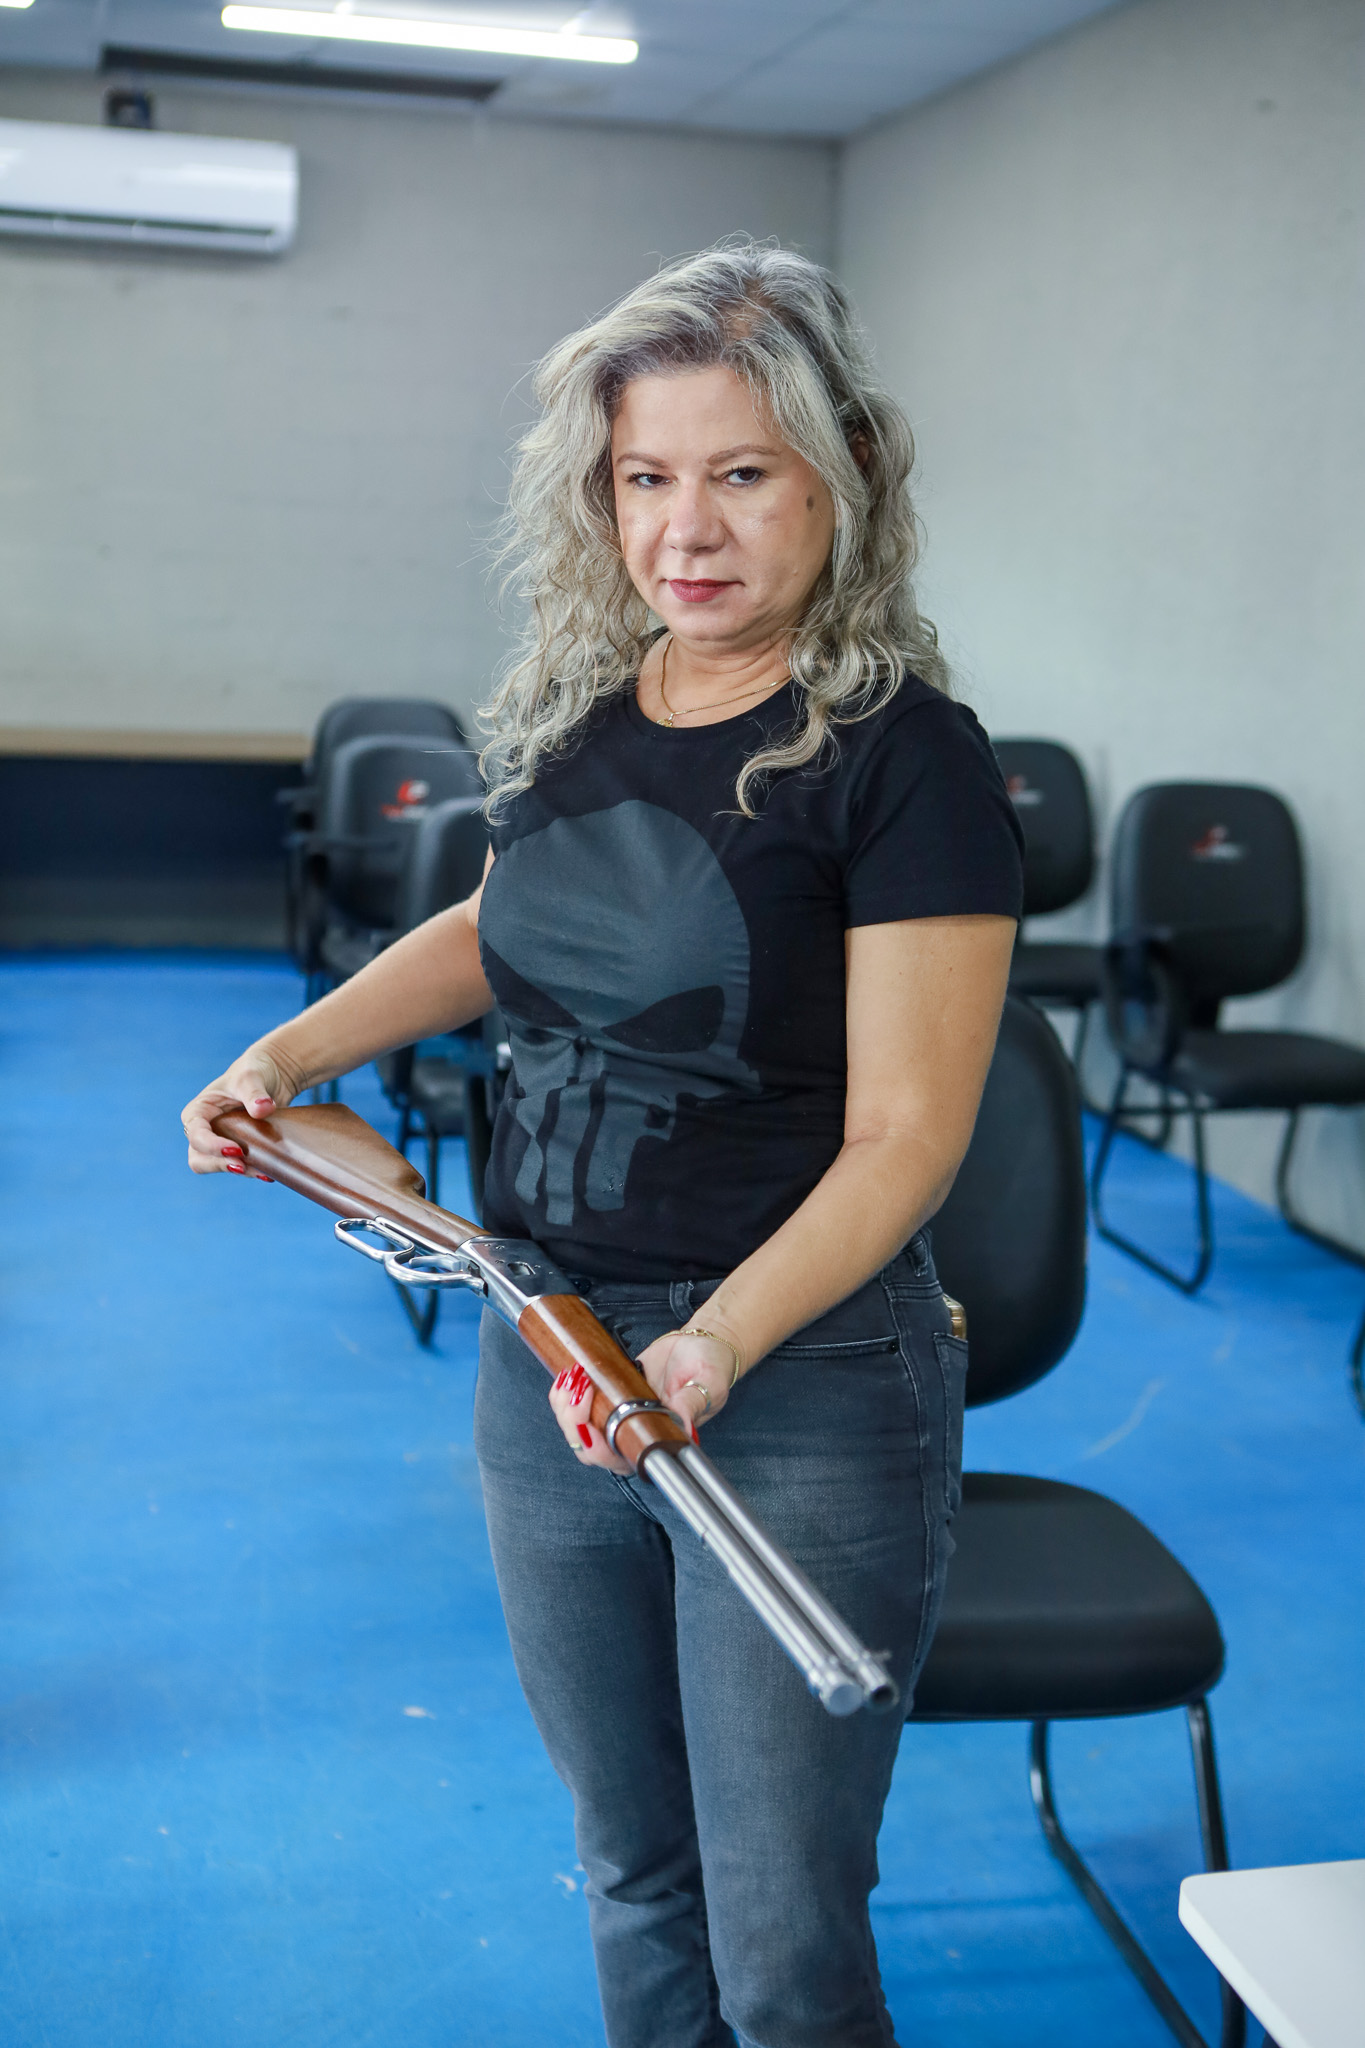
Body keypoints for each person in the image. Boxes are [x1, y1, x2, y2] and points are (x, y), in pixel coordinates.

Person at [182, 240, 1024, 2048]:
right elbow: (500, 925)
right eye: (645, 477)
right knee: (634, 1866)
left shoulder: (907, 760)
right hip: (545, 1340)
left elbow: (904, 1140)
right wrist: (289, 1050)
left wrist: (710, 1346)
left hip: (791, 1375)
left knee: (781, 1941)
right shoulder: (586, 706)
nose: (684, 531)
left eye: (741, 474)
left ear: (841, 477)